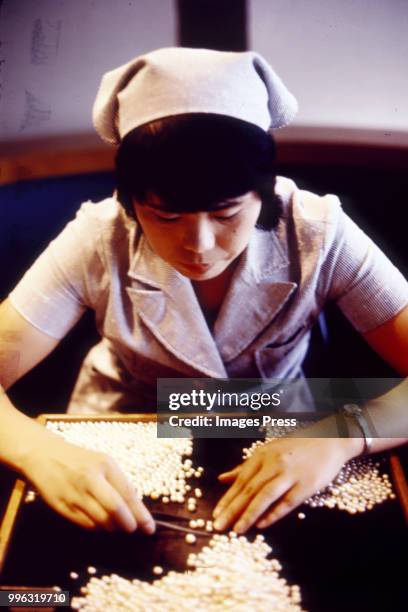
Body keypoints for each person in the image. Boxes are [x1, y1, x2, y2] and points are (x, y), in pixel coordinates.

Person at [0, 47, 407, 536]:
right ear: (130, 202)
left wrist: (340, 437)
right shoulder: (98, 234)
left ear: (265, 190)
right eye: (165, 217)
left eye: (226, 213)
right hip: (122, 434)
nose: (198, 246)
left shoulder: (318, 230)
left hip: (283, 434)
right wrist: (36, 447)